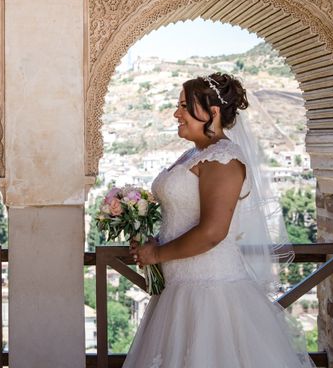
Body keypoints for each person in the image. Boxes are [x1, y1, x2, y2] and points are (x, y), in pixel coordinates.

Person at [125, 73, 313, 368]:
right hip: (178, 291)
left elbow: (213, 232)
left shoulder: (223, 159)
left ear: (212, 113)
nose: (177, 113)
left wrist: (157, 254)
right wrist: (153, 242)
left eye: (185, 106)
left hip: (212, 295)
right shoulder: (194, 154)